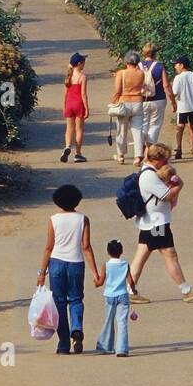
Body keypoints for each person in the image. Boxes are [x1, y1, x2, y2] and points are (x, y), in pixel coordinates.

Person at [128, 144, 193, 305]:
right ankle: (186, 290)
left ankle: (129, 290)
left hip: (151, 221)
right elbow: (167, 195)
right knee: (170, 254)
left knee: (142, 255)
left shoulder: (146, 172)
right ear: (157, 159)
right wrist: (178, 186)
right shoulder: (149, 176)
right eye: (165, 159)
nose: (167, 163)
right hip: (157, 222)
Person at [36, 184, 101, 355]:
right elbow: (86, 247)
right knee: (76, 299)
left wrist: (42, 273)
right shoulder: (83, 219)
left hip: (56, 263)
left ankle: (63, 343)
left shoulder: (53, 219)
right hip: (76, 263)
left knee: (59, 303)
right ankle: (77, 329)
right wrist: (95, 273)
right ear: (77, 200)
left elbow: (48, 247)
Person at [94, 239, 135, 357]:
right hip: (122, 295)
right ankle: (121, 349)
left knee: (108, 320)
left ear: (108, 252)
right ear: (121, 251)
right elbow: (130, 281)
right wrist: (134, 290)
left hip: (109, 295)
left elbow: (101, 282)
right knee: (122, 322)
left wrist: (96, 283)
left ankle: (105, 346)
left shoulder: (106, 265)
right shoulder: (125, 264)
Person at [111, 51, 147, 166]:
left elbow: (117, 91)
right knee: (137, 131)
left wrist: (113, 102)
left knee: (122, 130)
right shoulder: (141, 74)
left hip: (124, 102)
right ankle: (138, 157)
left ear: (126, 61)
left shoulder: (121, 73)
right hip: (138, 102)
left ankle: (121, 155)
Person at [139, 43, 176, 152]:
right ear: (155, 53)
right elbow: (166, 85)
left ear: (143, 53)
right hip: (158, 99)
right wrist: (173, 101)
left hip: (143, 99)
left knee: (143, 124)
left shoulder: (138, 66)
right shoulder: (159, 66)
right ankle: (149, 148)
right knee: (155, 124)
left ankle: (141, 147)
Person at [171, 56, 193, 159]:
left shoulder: (178, 78)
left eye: (176, 64)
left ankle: (179, 149)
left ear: (181, 65)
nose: (175, 67)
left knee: (180, 127)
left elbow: (174, 93)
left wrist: (173, 103)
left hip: (182, 107)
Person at [61, 52, 89, 163]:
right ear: (79, 64)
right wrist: (87, 108)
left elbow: (65, 93)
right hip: (78, 104)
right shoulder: (82, 77)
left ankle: (67, 146)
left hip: (69, 104)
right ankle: (78, 153)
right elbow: (83, 94)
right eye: (83, 62)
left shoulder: (68, 76)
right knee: (79, 129)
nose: (84, 64)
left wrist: (64, 106)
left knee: (69, 129)